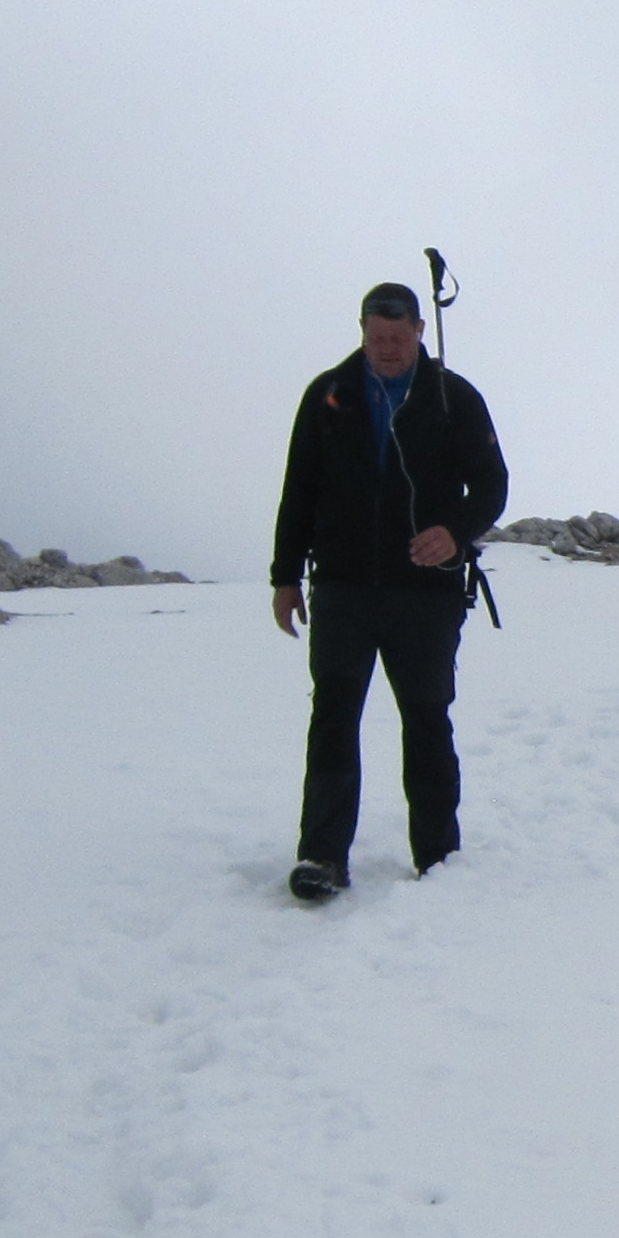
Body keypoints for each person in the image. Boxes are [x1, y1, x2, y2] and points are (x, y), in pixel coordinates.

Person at [271, 281, 508, 902]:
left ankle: (437, 856)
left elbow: (491, 485)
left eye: (398, 339)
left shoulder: (454, 399)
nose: (387, 350)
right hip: (343, 587)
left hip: (424, 593)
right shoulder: (328, 395)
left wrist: (454, 533)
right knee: (333, 718)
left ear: (420, 332)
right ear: (362, 331)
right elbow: (299, 488)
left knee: (427, 720)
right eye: (377, 339)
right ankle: (322, 855)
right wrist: (284, 575)